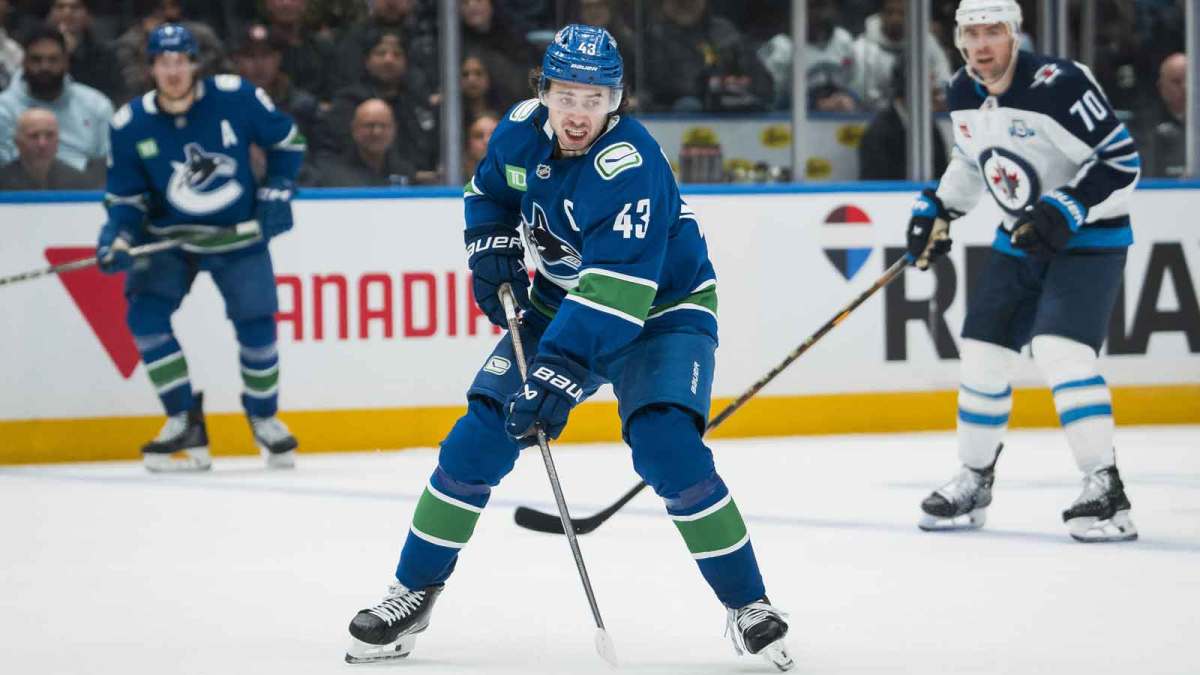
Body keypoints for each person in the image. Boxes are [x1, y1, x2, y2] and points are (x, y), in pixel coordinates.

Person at [343, 24, 793, 670]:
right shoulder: (521, 131)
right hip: (561, 300)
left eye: (594, 97)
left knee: (666, 443)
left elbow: (617, 294)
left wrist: (558, 372)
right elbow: (487, 193)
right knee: (479, 436)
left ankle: (750, 603)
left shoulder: (630, 166)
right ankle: (411, 591)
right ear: (544, 91)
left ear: (617, 100)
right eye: (566, 94)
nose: (578, 112)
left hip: (663, 309)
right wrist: (490, 244)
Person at [908, 0, 1140, 543]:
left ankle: (1105, 487)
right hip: (1020, 240)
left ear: (1015, 36)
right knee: (984, 351)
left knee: (1062, 351)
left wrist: (1068, 206)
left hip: (1090, 239)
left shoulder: (1058, 85)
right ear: (959, 40)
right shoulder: (963, 90)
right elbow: (973, 161)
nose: (982, 45)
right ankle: (974, 478)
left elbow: (1121, 159)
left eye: (994, 32)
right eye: (972, 33)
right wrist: (938, 209)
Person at [95, 23, 305, 473]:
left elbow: (288, 142)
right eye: (162, 62)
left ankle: (265, 416)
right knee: (144, 317)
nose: (172, 71)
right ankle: (182, 418)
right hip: (169, 239)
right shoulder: (130, 123)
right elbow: (127, 197)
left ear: (194, 63)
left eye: (180, 60)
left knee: (256, 322)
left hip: (238, 233)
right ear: (150, 67)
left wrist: (278, 188)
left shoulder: (236, 96)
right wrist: (120, 235)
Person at [0, 26, 112, 173]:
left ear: (66, 62)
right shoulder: (3, 109)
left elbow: (109, 164)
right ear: (23, 62)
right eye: (36, 59)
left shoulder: (96, 105)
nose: (44, 67)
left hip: (84, 192)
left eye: (53, 60)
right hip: (19, 191)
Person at [857, 57, 948, 180]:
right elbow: (875, 185)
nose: (935, 90)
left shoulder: (930, 126)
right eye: (929, 83)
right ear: (909, 86)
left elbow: (943, 174)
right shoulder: (878, 132)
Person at [301, 98, 414, 186]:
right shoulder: (329, 174)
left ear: (394, 130)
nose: (377, 132)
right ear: (354, 129)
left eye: (384, 126)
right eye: (369, 125)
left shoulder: (405, 171)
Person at [46, 0, 127, 103]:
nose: (67, 13)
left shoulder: (104, 55)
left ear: (89, 16)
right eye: (60, 7)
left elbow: (111, 96)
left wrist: (73, 54)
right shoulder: (33, 48)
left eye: (75, 7)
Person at [0, 108, 99, 190]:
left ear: (58, 140)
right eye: (34, 136)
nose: (42, 144)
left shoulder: (78, 181)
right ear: (18, 142)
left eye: (50, 135)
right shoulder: (2, 181)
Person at [1132, 52, 1186, 178]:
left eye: (1191, 80)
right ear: (1162, 87)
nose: (1185, 87)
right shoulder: (1144, 126)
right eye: (1177, 82)